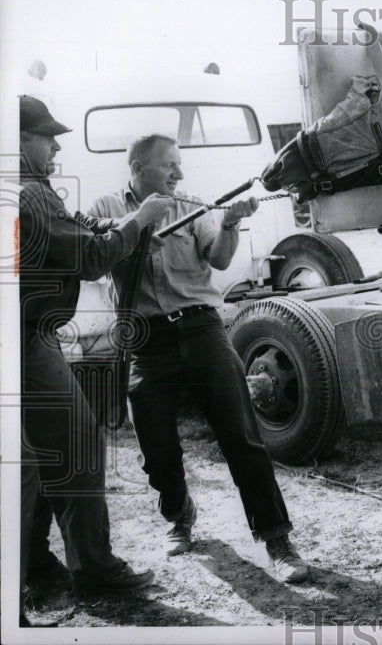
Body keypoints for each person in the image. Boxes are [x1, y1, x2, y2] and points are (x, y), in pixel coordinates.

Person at [88, 134, 309, 583]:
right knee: (156, 446)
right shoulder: (104, 209)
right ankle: (178, 514)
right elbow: (94, 263)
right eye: (170, 165)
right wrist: (131, 237)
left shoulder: (190, 204)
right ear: (137, 167)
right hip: (146, 340)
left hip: (203, 328)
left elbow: (221, 260)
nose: (179, 174)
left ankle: (276, 538)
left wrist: (228, 224)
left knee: (241, 437)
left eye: (180, 164)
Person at [18, 95, 172, 605]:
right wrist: (138, 220)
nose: (55, 143)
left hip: (22, 337)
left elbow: (72, 234)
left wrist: (112, 227)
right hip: (26, 340)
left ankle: (34, 565)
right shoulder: (29, 191)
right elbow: (88, 256)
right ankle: (94, 570)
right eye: (46, 135)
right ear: (16, 140)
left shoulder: (29, 190)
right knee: (77, 449)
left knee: (34, 460)